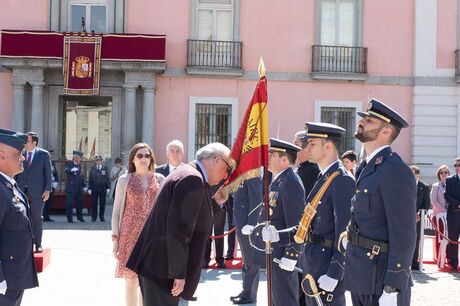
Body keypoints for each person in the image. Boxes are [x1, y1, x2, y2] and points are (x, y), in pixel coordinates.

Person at [126, 142, 231, 306]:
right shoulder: (192, 178)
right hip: (162, 269)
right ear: (217, 160)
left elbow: (196, 217)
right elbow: (178, 229)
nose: (226, 175)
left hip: (158, 264)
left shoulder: (190, 173)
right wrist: (178, 272)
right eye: (227, 168)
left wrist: (216, 202)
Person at [343, 98, 416, 306]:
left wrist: (394, 283)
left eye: (370, 120)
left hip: (382, 278)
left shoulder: (394, 169)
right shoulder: (366, 166)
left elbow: (404, 233)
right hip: (361, 276)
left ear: (386, 131)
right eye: (364, 118)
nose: (362, 122)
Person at [300, 122, 355, 306]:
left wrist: (335, 272)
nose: (307, 148)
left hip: (326, 266)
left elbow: (345, 232)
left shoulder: (341, 180)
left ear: (328, 146)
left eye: (312, 143)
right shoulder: (324, 176)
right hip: (313, 261)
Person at [112, 143, 165, 306]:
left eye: (147, 156)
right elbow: (116, 211)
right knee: (131, 282)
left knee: (147, 284)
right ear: (133, 159)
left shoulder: (160, 179)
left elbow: (164, 210)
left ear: (151, 159)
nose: (143, 159)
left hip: (152, 235)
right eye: (140, 156)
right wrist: (116, 240)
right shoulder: (124, 180)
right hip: (129, 235)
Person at [258, 138, 305, 306]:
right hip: (275, 250)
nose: (268, 157)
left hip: (283, 255)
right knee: (277, 298)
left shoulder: (290, 181)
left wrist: (291, 255)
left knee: (285, 300)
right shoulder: (279, 179)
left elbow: (297, 223)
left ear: (284, 159)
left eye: (272, 155)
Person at [0, 128, 38, 305]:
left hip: (15, 275)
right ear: (1, 156)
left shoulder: (10, 186)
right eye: (18, 153)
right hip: (5, 278)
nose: (23, 157)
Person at [16, 132, 52, 252]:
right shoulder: (21, 154)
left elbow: (48, 173)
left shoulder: (43, 154)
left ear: (34, 143)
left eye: (27, 141)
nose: (25, 143)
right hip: (21, 192)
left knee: (36, 218)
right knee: (22, 218)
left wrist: (47, 190)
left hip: (38, 193)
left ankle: (38, 244)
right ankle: (25, 244)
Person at [229, 177, 263, 304]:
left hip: (247, 225)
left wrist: (252, 223)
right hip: (241, 222)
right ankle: (247, 291)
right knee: (246, 260)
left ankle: (250, 295)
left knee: (251, 260)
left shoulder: (252, 176)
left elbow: (257, 201)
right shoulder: (242, 175)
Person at [410, 165, 431, 270]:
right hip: (405, 218)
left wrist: (419, 214)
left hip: (418, 219)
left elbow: (427, 204)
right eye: (411, 174)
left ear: (418, 175)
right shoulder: (403, 185)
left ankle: (414, 262)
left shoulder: (424, 187)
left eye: (415, 174)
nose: (413, 176)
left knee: (416, 240)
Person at [203, 182, 227, 269]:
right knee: (207, 236)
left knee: (219, 235)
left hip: (220, 207)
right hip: (208, 207)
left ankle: (220, 260)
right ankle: (205, 259)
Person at [430, 165, 450, 262]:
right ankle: (440, 257)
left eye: (445, 172)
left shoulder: (452, 185)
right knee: (441, 236)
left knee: (450, 237)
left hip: (451, 216)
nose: (443, 175)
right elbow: (434, 201)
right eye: (441, 173)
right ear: (439, 175)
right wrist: (444, 211)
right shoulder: (435, 186)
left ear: (448, 174)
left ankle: (449, 257)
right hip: (438, 216)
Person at [444, 157, 460, 272]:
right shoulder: (449, 180)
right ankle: (454, 265)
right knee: (453, 240)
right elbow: (447, 195)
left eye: (459, 165)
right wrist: (458, 205)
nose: (457, 167)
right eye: (456, 165)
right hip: (454, 215)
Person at [293, 131, 320, 196]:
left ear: (307, 148)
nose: (292, 149)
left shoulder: (314, 171)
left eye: (296, 145)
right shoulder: (301, 168)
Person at [64, 151, 86, 223]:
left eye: (80, 158)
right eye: (79, 158)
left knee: (80, 204)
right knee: (69, 204)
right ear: (75, 157)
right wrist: (71, 170)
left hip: (79, 188)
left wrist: (84, 186)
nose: (80, 159)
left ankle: (80, 218)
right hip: (71, 188)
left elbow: (81, 177)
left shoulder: (79, 166)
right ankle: (69, 219)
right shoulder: (69, 163)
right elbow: (66, 170)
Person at [88, 155, 111, 222]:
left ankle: (101, 217)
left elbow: (107, 178)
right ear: (95, 161)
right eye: (97, 160)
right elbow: (90, 179)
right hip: (94, 188)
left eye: (99, 160)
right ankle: (94, 217)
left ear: (101, 161)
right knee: (93, 203)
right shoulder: (92, 168)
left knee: (102, 203)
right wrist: (89, 188)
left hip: (102, 188)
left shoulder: (105, 168)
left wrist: (108, 187)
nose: (98, 162)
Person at [43, 149, 59, 222]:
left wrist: (56, 181)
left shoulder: (52, 163)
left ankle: (47, 217)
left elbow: (55, 173)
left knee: (49, 202)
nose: (51, 156)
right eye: (50, 155)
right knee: (43, 202)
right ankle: (42, 216)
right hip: (44, 185)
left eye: (52, 155)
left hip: (52, 185)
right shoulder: (43, 162)